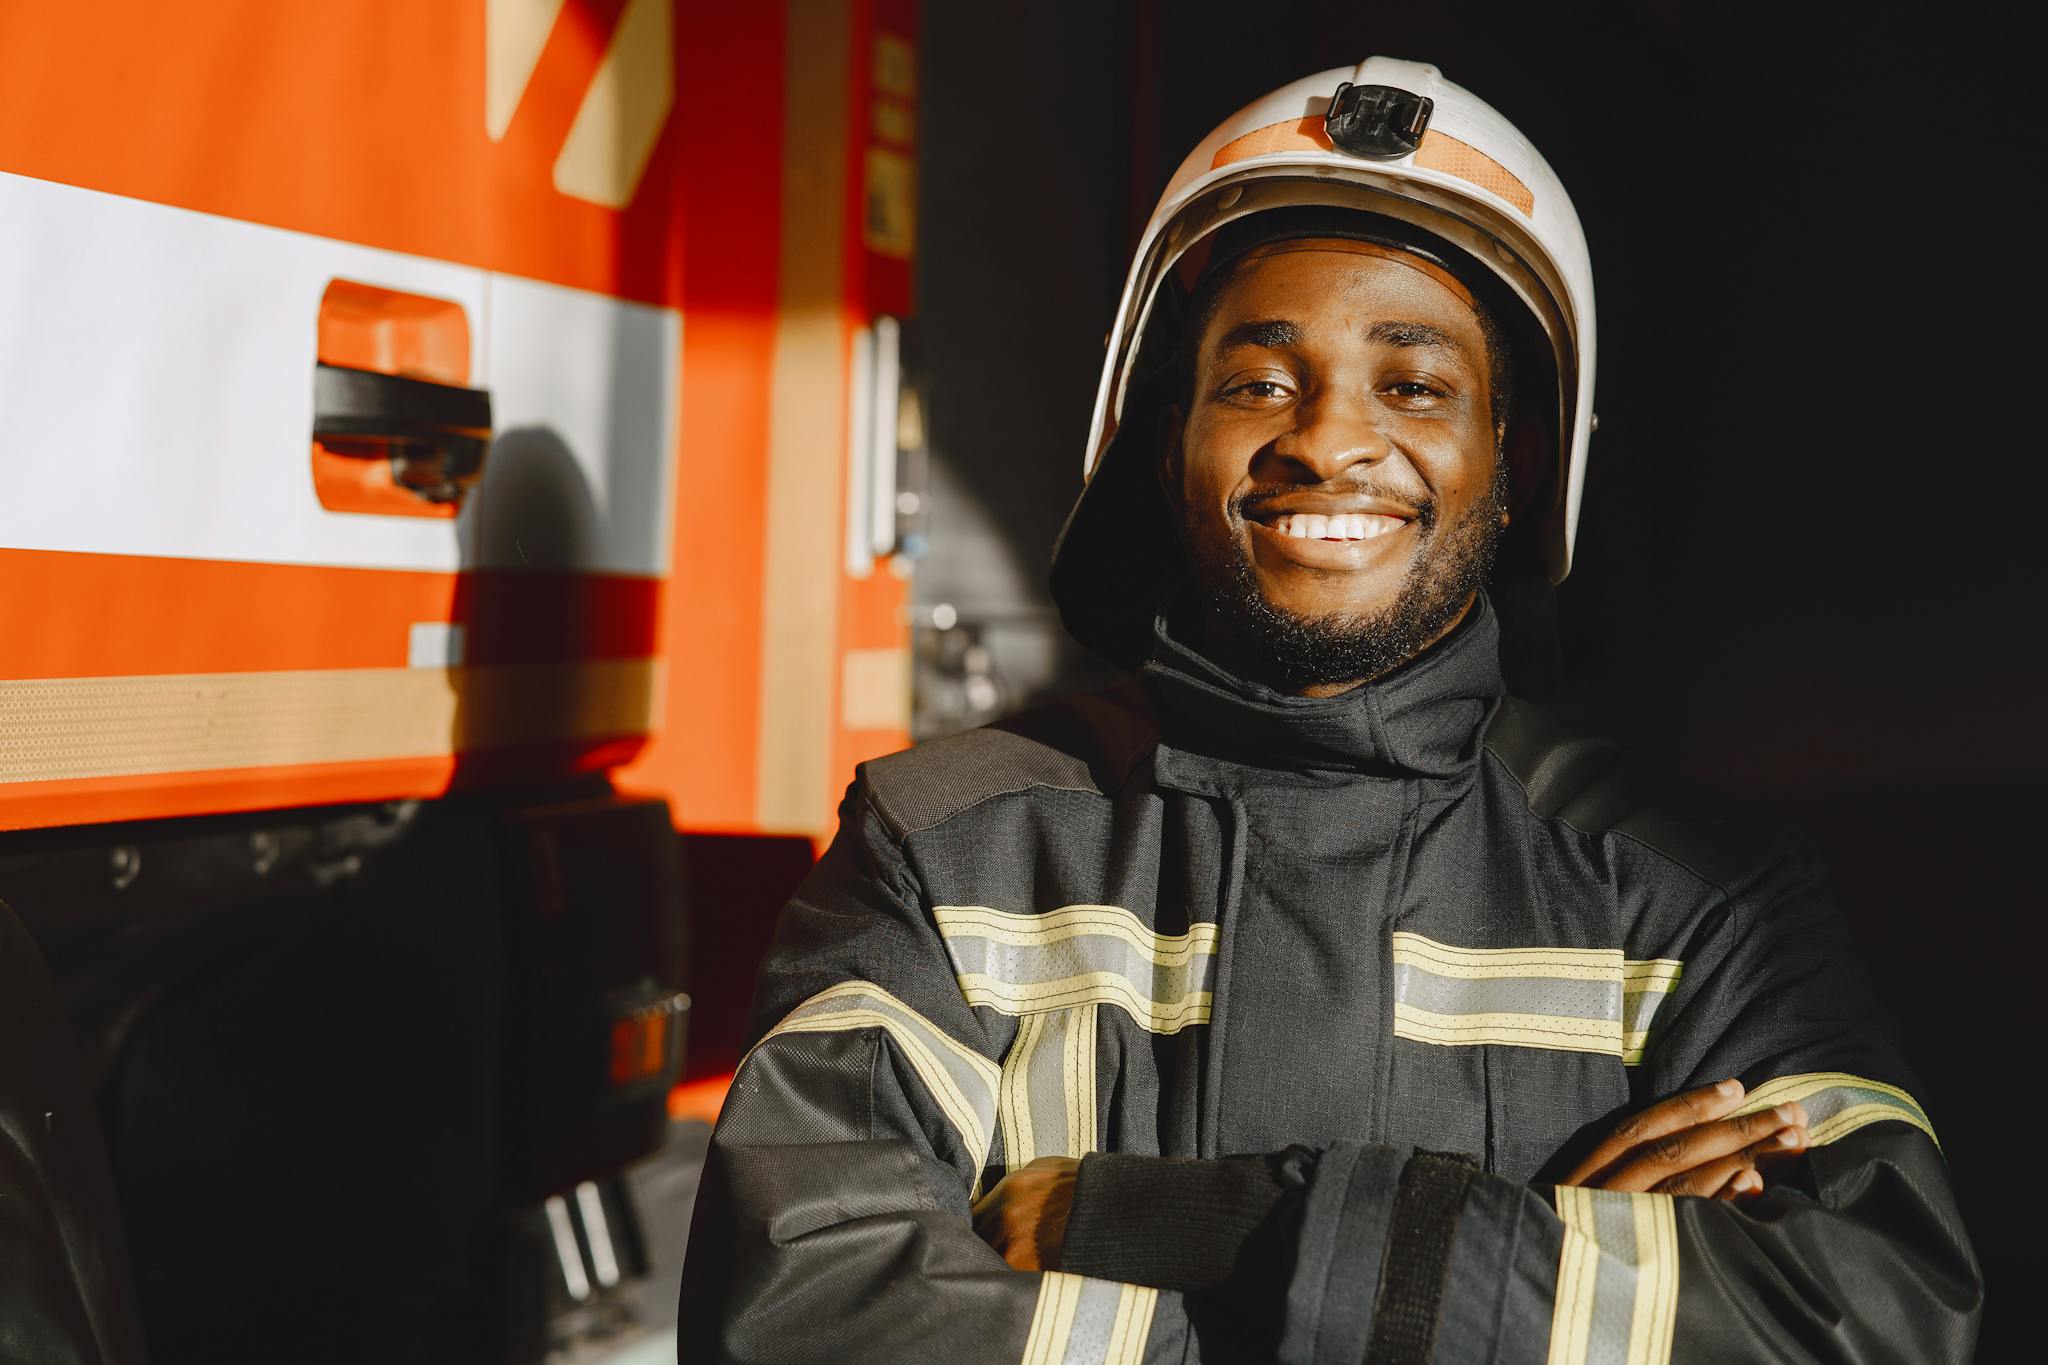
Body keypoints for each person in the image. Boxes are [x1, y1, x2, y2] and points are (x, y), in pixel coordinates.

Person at [676, 58, 1981, 1363]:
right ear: (1166, 438)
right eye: (1257, 382)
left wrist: (1174, 1219)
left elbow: (1876, 1313)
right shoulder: (947, 848)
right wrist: (1524, 1269)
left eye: (1413, 385)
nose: (1328, 439)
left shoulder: (1693, 892)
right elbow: (798, 1318)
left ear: (1519, 463)